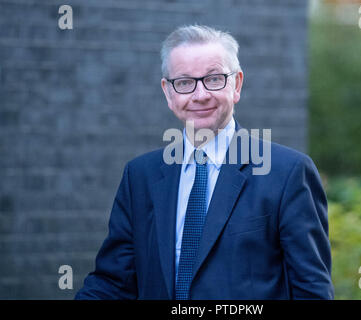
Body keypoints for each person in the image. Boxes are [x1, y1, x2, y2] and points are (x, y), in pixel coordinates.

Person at [75, 25, 334, 300]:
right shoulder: (140, 177)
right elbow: (113, 283)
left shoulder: (288, 173)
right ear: (168, 92)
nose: (200, 95)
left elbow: (312, 291)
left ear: (237, 84)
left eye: (214, 79)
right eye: (185, 82)